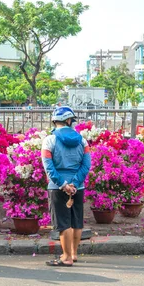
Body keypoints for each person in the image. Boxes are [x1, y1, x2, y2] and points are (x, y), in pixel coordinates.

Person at [41, 107, 91, 267]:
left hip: (57, 188)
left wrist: (63, 185)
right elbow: (86, 165)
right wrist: (75, 183)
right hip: (79, 187)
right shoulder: (83, 141)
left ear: (55, 121)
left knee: (63, 223)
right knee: (76, 222)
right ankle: (74, 254)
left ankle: (66, 257)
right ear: (69, 121)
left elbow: (48, 167)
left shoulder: (49, 140)